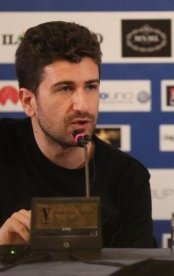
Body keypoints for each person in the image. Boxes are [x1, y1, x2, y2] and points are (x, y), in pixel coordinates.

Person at [0, 21, 156, 248]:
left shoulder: (129, 177)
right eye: (65, 88)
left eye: (91, 87)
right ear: (28, 101)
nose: (83, 105)